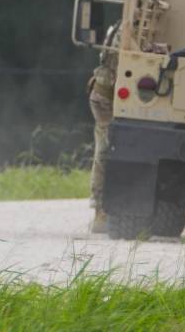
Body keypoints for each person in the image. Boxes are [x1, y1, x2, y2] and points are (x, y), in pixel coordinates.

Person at [86, 23, 119, 234]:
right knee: (105, 149)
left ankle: (102, 212)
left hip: (104, 93)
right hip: (106, 95)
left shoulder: (118, 27)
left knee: (105, 148)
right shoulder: (126, 29)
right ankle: (101, 212)